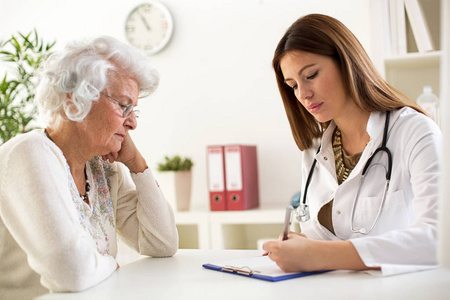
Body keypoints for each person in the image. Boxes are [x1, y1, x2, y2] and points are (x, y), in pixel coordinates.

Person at [262, 14, 442, 276]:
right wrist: (305, 246)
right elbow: (323, 242)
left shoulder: (415, 132)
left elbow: (439, 238)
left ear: (347, 62)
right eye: (293, 86)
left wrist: (320, 255)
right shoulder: (314, 152)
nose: (303, 94)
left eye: (310, 75)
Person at [0, 36, 178, 299]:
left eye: (134, 110)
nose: (132, 123)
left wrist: (135, 163)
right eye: (123, 105)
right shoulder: (29, 152)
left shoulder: (104, 171)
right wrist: (111, 265)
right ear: (76, 99)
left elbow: (162, 243)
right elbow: (69, 272)